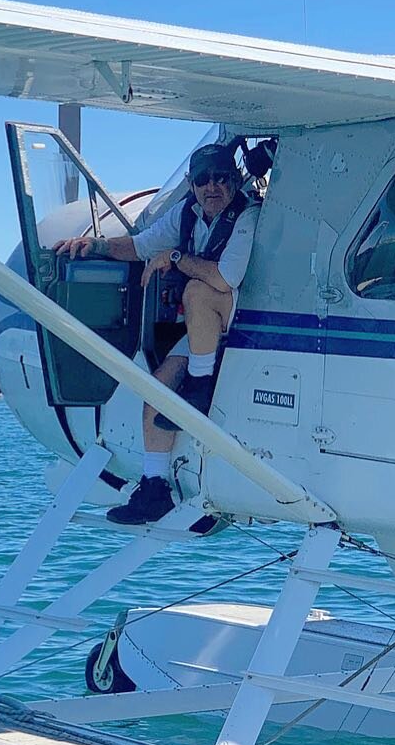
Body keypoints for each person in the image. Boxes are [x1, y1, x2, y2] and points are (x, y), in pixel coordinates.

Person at [54, 143, 261, 524]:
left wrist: (178, 258)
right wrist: (95, 245)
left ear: (234, 181)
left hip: (243, 321)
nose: (211, 188)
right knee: (157, 389)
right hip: (209, 326)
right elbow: (140, 246)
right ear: (192, 185)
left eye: (220, 179)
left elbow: (226, 277)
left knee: (197, 290)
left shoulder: (247, 217)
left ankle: (201, 382)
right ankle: (154, 488)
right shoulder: (186, 214)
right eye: (202, 181)